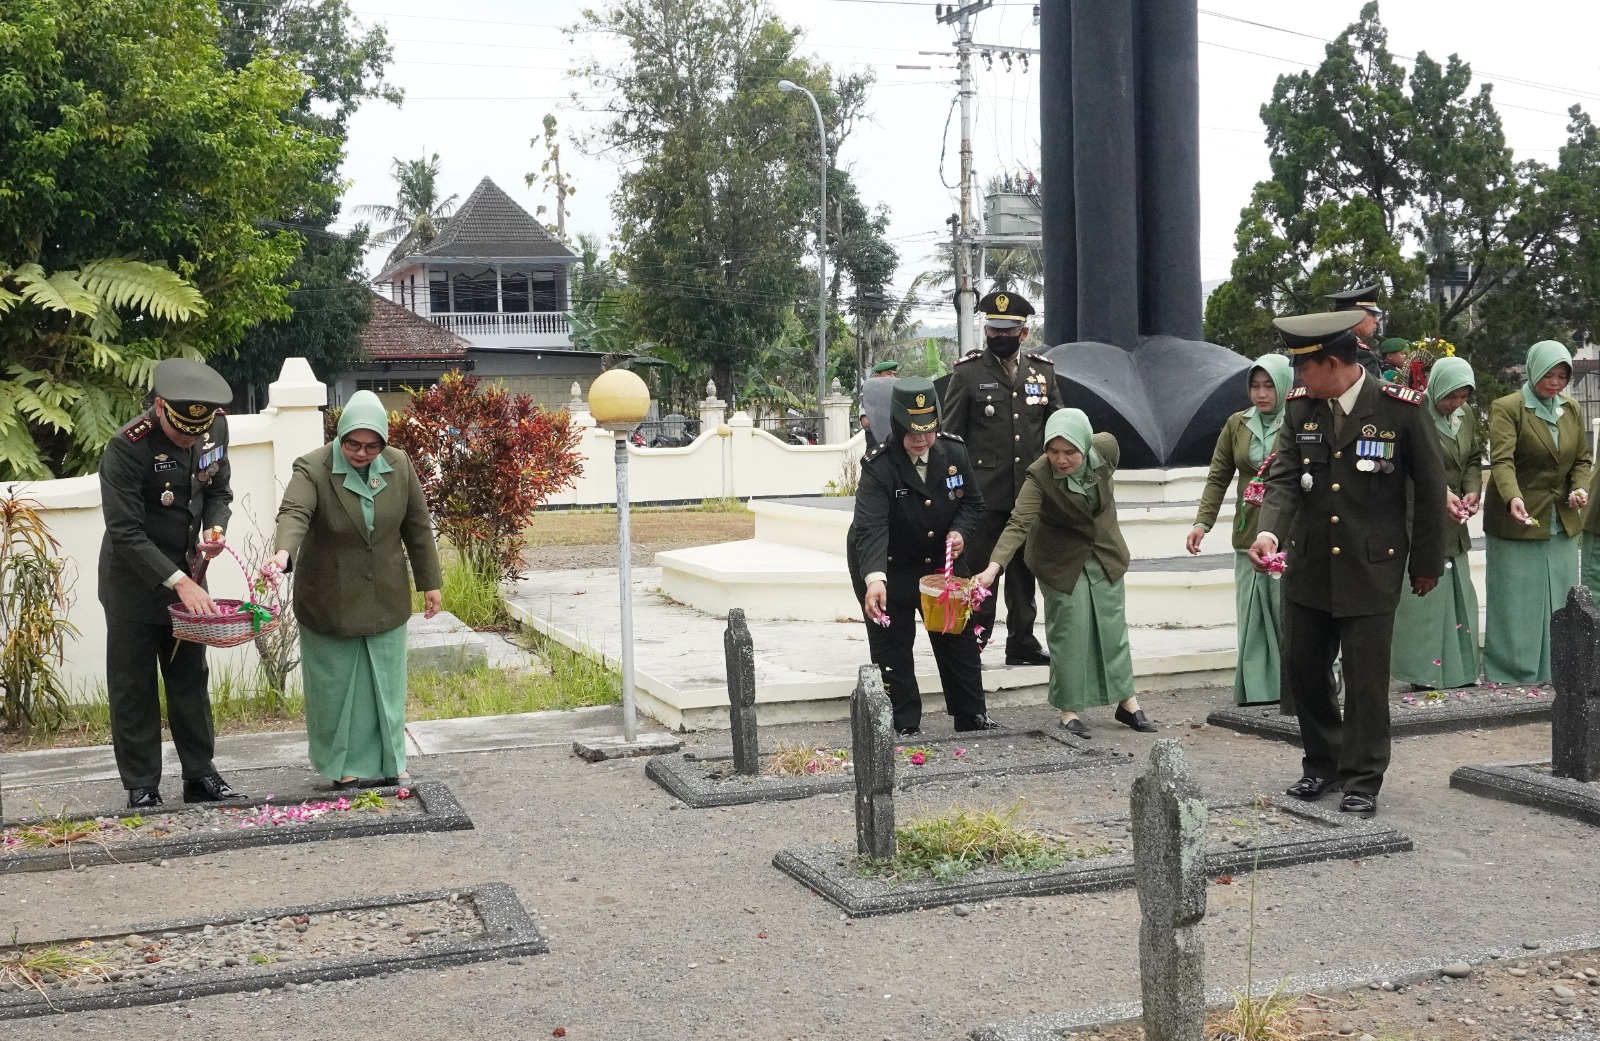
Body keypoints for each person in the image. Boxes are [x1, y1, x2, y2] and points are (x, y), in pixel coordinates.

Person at [1247, 311, 1446, 818]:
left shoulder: (1400, 408)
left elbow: (1429, 489)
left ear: (1332, 364)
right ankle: (1323, 763)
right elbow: (1284, 478)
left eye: (1304, 370)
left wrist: (1426, 562)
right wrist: (1268, 532)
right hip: (1311, 564)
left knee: (1364, 680)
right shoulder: (1301, 410)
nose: (1298, 382)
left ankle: (1362, 777)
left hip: (1370, 566)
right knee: (1304, 670)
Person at [267, 392, 444, 789]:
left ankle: (389, 763)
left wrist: (429, 582)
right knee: (336, 690)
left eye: (371, 445)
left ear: (383, 442)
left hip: (385, 595)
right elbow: (294, 512)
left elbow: (416, 524)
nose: (361, 453)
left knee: (385, 685)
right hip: (330, 598)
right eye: (352, 444)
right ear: (340, 435)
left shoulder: (398, 465)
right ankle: (341, 768)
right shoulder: (313, 467)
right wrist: (283, 554)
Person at [97, 359, 246, 809]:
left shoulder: (213, 430)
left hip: (191, 581)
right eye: (181, 431)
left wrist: (214, 531)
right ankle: (141, 784)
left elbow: (217, 490)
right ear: (159, 407)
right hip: (134, 587)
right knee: (134, 686)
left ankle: (200, 775)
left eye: (195, 433)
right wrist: (180, 582)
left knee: (190, 681)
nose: (189, 440)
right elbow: (125, 532)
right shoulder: (127, 448)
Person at [975, 409, 1153, 738]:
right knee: (1070, 631)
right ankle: (1068, 711)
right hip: (1059, 559)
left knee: (1112, 629)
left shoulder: (1106, 449)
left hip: (1103, 551)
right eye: (1053, 451)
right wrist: (993, 567)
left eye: (1070, 452)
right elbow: (1018, 524)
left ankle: (1127, 703)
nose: (1061, 459)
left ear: (1084, 446)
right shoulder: (1039, 476)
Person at [847, 377, 1000, 736]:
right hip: (888, 565)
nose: (922, 439)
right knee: (893, 647)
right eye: (914, 432)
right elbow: (870, 527)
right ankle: (902, 722)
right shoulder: (879, 466)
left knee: (958, 640)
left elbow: (973, 504)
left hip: (940, 566)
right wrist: (874, 579)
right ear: (899, 424)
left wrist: (960, 532)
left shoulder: (954, 452)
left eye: (929, 431)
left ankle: (971, 714)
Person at [941, 289, 1061, 665]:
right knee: (980, 572)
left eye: (1007, 331)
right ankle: (975, 641)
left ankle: (1022, 643)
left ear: (1023, 333)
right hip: (983, 496)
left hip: (1028, 493)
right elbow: (950, 438)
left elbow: (1057, 427)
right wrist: (954, 494)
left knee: (1024, 574)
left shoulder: (1043, 372)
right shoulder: (968, 373)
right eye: (993, 330)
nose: (999, 337)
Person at [1482, 341, 1592, 684]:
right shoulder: (1508, 407)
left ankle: (1556, 668)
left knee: (1561, 598)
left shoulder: (1571, 408)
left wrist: (1580, 487)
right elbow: (1502, 460)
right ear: (1533, 371)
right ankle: (1513, 670)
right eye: (1549, 374)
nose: (1555, 382)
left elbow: (1582, 459)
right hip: (1517, 517)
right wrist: (1512, 496)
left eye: (1562, 376)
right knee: (1517, 599)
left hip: (1561, 520)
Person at [1188, 354, 1293, 706]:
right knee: (1252, 610)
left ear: (1284, 386)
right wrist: (1203, 522)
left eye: (1268, 386)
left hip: (1288, 529)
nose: (1261, 394)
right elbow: (1218, 476)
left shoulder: (1299, 420)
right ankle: (1259, 688)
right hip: (1248, 528)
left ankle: (1300, 682)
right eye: (1255, 386)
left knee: (1288, 609)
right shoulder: (1237, 424)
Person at [1391, 357, 1482, 689]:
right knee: (1424, 602)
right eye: (1450, 397)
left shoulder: (1465, 416)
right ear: (1437, 387)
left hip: (1455, 519)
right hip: (1422, 516)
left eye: (1462, 397)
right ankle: (1421, 672)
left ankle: (1459, 670)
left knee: (1459, 595)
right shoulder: (1414, 413)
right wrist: (1439, 493)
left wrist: (1472, 490)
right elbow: (1404, 467)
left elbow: (1473, 457)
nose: (1455, 404)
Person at [1325, 283, 1385, 380]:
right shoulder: (1359, 354)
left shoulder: (1324, 344)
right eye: (1372, 314)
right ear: (1353, 316)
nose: (1376, 321)